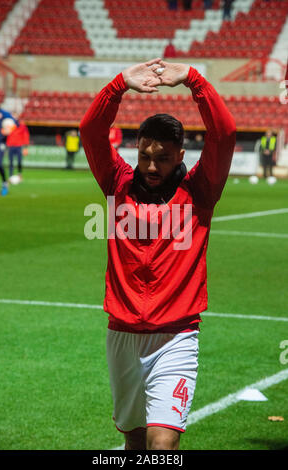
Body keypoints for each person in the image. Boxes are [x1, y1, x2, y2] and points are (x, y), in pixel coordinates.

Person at [80, 58, 236, 450]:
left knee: (161, 446)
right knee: (133, 443)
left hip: (176, 337)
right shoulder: (117, 183)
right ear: (137, 149)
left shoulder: (201, 189)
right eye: (145, 156)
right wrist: (118, 85)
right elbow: (92, 131)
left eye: (163, 158)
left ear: (181, 154)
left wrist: (195, 81)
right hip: (122, 335)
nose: (151, 166)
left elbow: (225, 133)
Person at [6, 113, 30, 182]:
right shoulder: (9, 126)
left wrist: (25, 147)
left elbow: (26, 136)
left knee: (19, 161)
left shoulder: (22, 126)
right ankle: (10, 176)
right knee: (11, 162)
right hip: (11, 146)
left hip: (19, 146)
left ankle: (20, 174)